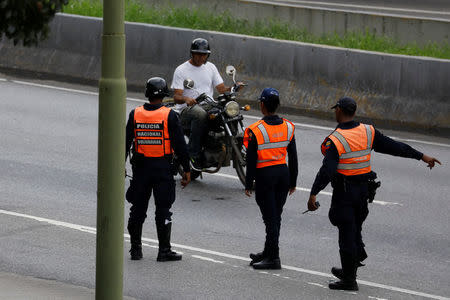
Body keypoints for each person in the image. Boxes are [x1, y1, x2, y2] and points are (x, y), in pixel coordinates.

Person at [307, 97, 441, 290]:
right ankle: (349, 269)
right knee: (355, 230)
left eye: (335, 109)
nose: (334, 112)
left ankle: (349, 281)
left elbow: (327, 170)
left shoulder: (336, 139)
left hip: (345, 192)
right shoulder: (368, 131)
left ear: (339, 111)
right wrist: (422, 156)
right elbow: (395, 147)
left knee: (346, 234)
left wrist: (313, 193)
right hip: (363, 192)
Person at [125, 77, 191, 261]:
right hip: (162, 169)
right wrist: (187, 169)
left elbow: (125, 142)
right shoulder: (169, 116)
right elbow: (180, 146)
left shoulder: (135, 114)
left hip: (141, 169)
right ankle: (164, 251)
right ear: (164, 95)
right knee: (163, 210)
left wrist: (120, 166)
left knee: (137, 209)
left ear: (147, 94)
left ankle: (135, 250)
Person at [243, 88, 298, 270]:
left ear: (262, 105)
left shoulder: (255, 130)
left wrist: (248, 183)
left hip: (265, 176)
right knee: (276, 216)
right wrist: (293, 181)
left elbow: (251, 160)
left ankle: (273, 258)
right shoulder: (289, 126)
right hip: (283, 174)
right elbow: (293, 156)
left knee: (271, 219)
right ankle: (268, 252)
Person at [171, 38, 234, 168]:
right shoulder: (181, 70)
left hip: (208, 105)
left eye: (203, 54)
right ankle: (193, 155)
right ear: (192, 53)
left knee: (227, 111)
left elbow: (221, 89)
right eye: (198, 54)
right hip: (187, 110)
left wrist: (234, 87)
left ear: (207, 55)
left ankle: (218, 146)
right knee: (200, 113)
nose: (200, 57)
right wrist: (186, 99)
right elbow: (176, 96)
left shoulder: (210, 67)